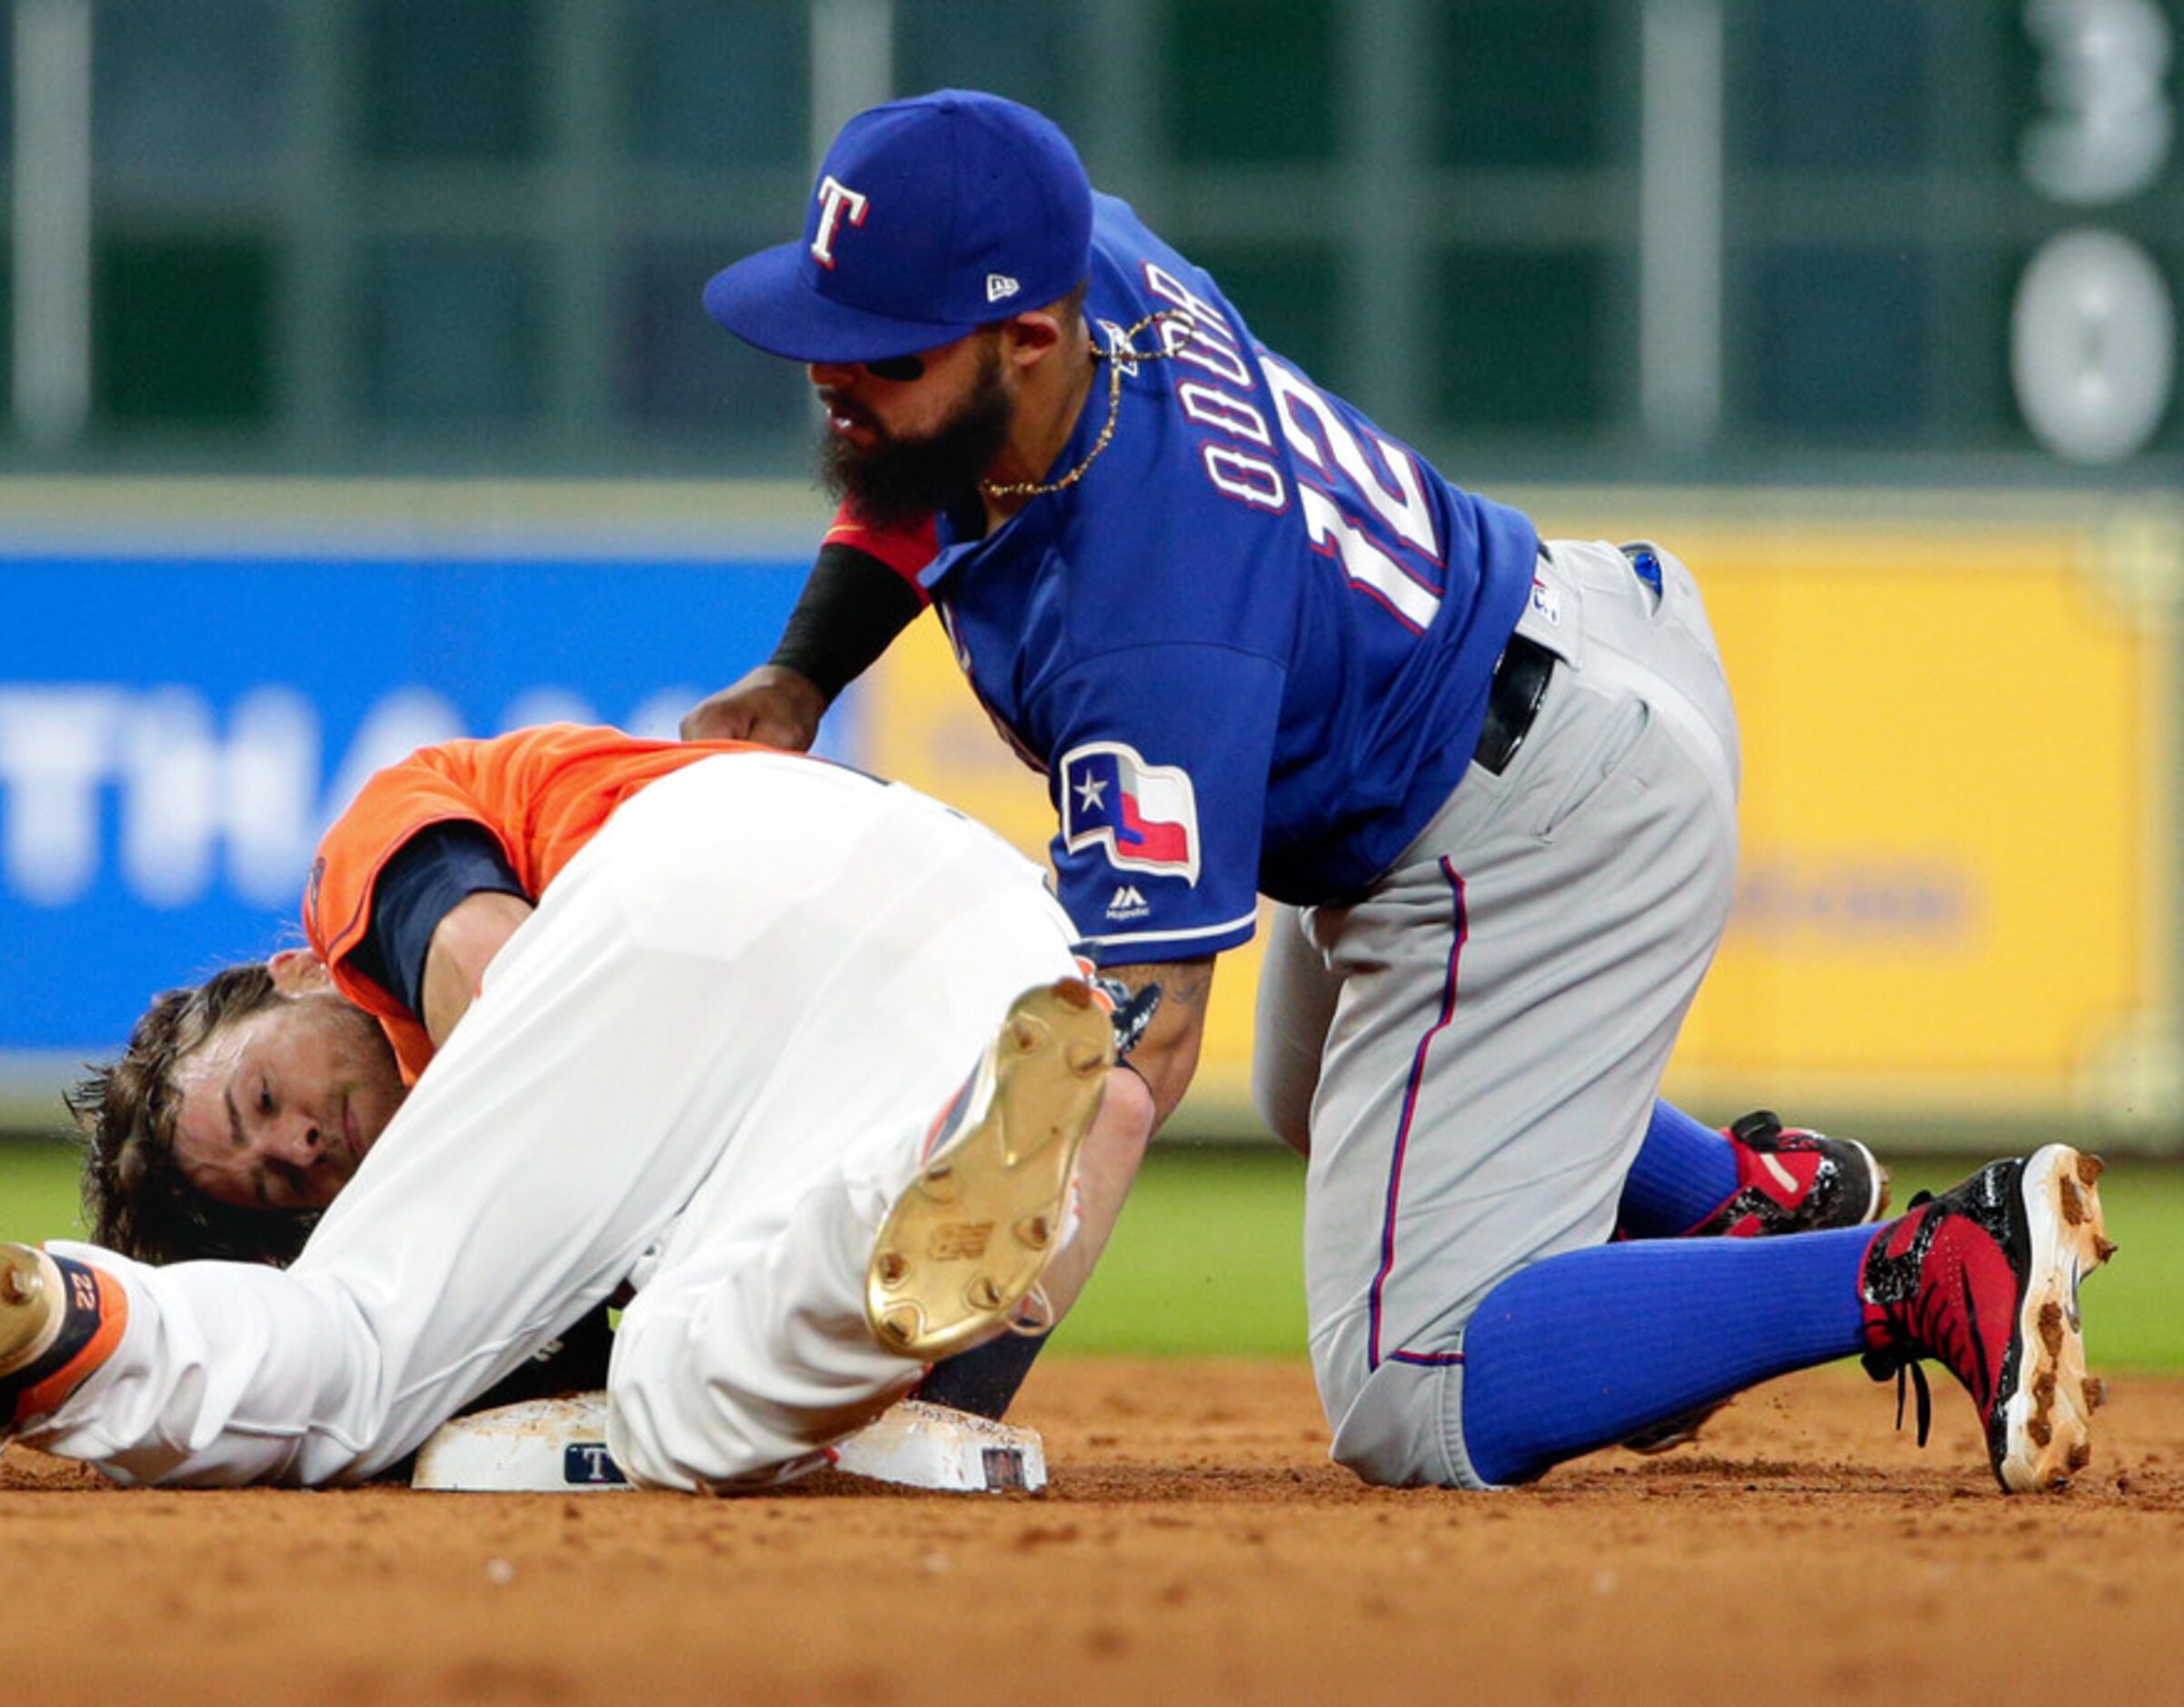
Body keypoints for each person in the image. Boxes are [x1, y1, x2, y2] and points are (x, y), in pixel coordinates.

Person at [681, 89, 2113, 1492]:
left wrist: (937, 1389)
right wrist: (803, 674)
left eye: (882, 351)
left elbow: (1125, 1054)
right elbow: (921, 455)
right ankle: (1740, 1200)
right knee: (1319, 1086)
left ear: (1029, 337)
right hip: (1562, 637)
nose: (833, 377)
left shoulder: (1155, 623)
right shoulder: (1080, 266)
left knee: (1411, 1393)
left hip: (1548, 825)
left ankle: (1923, 1262)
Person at [0, 724, 1133, 1493]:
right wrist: (925, 1391)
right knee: (713, 1359)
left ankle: (71, 1330)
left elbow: (493, 958)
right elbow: (1115, 1109)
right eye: (282, 1183)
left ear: (290, 972)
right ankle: (934, 1158)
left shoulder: (363, 883)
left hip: (699, 872)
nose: (297, 1142)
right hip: (999, 948)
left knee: (383, 1357)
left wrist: (482, 1334)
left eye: (263, 1092)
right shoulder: (502, 1166)